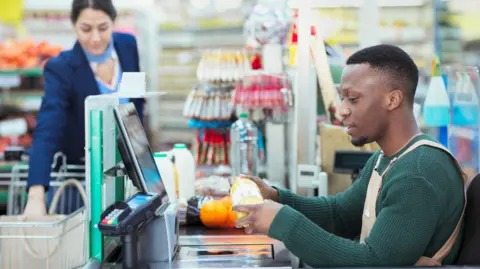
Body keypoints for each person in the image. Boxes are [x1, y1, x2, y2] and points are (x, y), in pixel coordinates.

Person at [233, 44, 468, 267]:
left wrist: (282, 221)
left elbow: (374, 262)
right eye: (342, 98)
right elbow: (340, 215)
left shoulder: (418, 172)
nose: (342, 110)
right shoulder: (386, 159)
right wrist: (276, 197)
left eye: (353, 99)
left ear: (393, 99)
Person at [24, 0, 145, 216]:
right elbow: (47, 129)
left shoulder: (128, 47)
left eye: (103, 28)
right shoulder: (61, 68)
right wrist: (36, 195)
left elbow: (137, 103)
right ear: (74, 26)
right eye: (86, 29)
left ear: (113, 22)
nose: (95, 38)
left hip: (127, 175)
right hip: (82, 179)